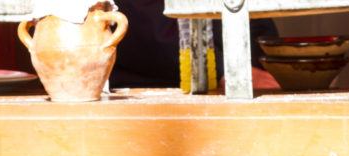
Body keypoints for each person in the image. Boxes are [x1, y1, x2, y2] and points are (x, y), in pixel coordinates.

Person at [111, 0, 279, 89]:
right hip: (159, 91)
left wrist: (275, 64)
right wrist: (227, 70)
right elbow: (142, 25)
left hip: (244, 81)